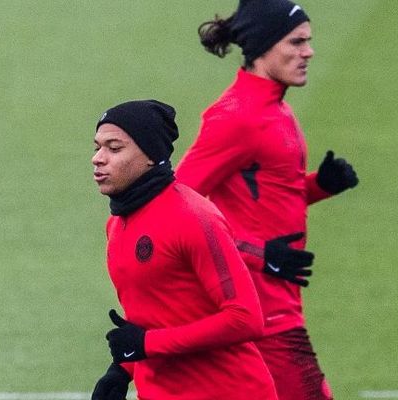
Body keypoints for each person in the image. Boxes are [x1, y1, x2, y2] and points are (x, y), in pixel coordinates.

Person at [175, 1, 359, 399]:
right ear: (263, 46)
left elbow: (264, 200)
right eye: (296, 42)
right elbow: (174, 206)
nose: (308, 52)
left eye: (308, 42)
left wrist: (319, 186)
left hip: (277, 302)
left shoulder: (276, 108)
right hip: (259, 311)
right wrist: (261, 255)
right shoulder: (237, 117)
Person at [90, 99, 278, 400]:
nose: (98, 158)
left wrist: (147, 345)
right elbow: (156, 311)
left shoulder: (194, 217)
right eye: (97, 147)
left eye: (114, 148)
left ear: (151, 156)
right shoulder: (116, 226)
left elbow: (245, 318)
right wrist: (123, 368)